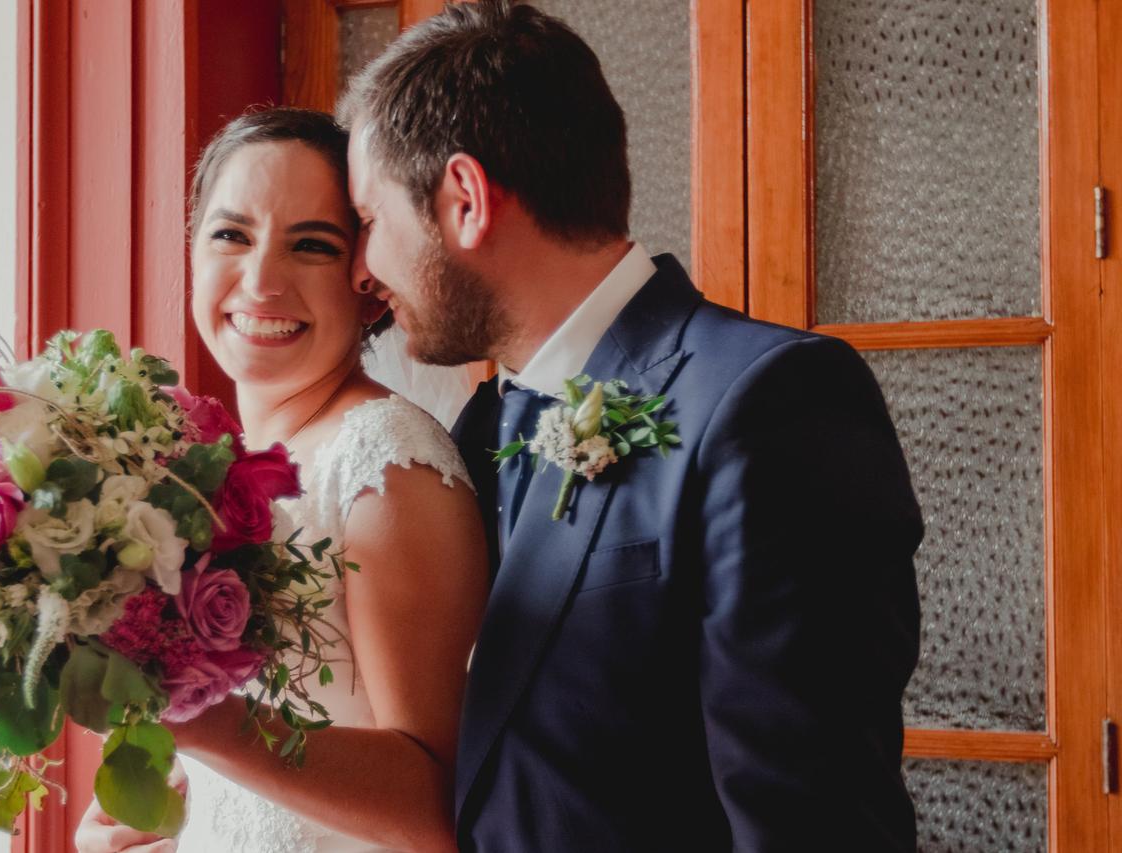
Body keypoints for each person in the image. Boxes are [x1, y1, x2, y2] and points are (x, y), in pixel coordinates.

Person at [338, 2, 925, 850]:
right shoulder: (472, 433)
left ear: (464, 199)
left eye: (368, 222)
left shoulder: (770, 404)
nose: (363, 268)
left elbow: (812, 819)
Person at [75, 107, 488, 853]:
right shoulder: (208, 470)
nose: (262, 280)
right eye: (232, 235)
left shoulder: (387, 467)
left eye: (311, 245)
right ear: (193, 252)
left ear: (366, 282)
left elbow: (443, 805)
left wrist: (199, 720)